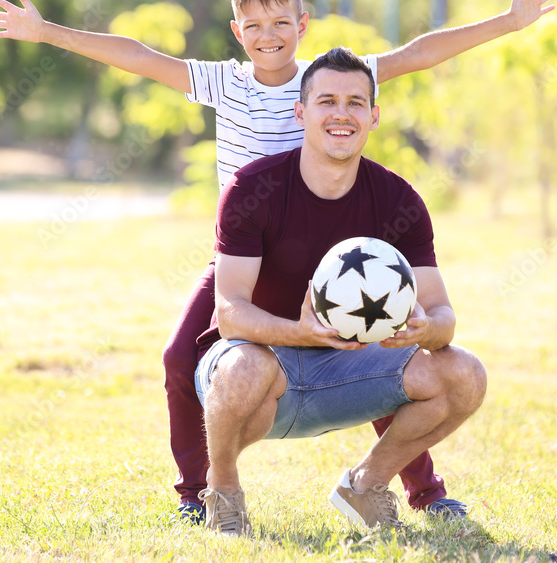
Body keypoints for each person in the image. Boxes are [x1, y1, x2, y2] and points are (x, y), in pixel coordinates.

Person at [0, 0, 557, 523]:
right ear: (237, 30)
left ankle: (421, 490)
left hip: (331, 258)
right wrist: (46, 31)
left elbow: (420, 53)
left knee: (378, 347)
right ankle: (197, 493)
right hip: (248, 259)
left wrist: (507, 22)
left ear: (302, 26)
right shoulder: (222, 82)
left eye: (281, 22)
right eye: (253, 25)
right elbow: (139, 57)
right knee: (180, 359)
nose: (268, 35)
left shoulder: (329, 80)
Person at [194, 47, 487, 535]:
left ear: (373, 116)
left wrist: (425, 328)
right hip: (265, 368)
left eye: (355, 103)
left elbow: (444, 316)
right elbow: (230, 315)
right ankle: (223, 492)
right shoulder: (253, 188)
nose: (341, 114)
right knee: (244, 366)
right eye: (326, 100)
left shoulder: (399, 200)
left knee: (465, 375)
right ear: (300, 112)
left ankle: (365, 486)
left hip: (353, 370)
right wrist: (299, 331)